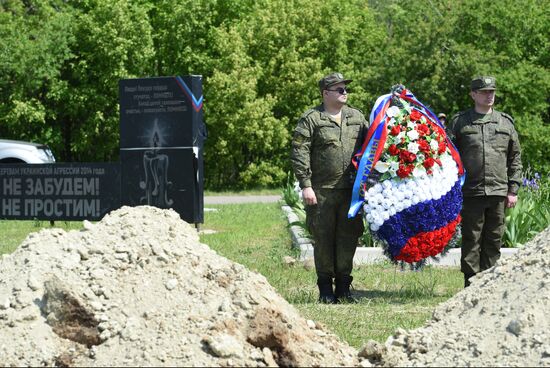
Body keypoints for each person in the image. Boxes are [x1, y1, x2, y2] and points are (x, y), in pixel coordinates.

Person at [290, 72, 369, 303]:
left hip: (351, 192)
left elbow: (372, 145)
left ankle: (344, 288)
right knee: (323, 239)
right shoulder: (312, 118)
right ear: (326, 93)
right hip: (322, 191)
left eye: (345, 89)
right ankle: (325, 289)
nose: (345, 93)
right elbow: (299, 152)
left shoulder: (356, 117)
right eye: (340, 90)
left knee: (348, 238)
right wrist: (306, 185)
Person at [447, 76, 522, 287]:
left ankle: (488, 285)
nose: (489, 95)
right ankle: (471, 284)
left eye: (492, 91)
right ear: (473, 94)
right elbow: (448, 156)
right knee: (472, 240)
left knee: (493, 240)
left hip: (498, 191)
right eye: (484, 92)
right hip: (471, 192)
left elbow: (515, 158)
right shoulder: (460, 122)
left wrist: (513, 189)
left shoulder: (505, 122)